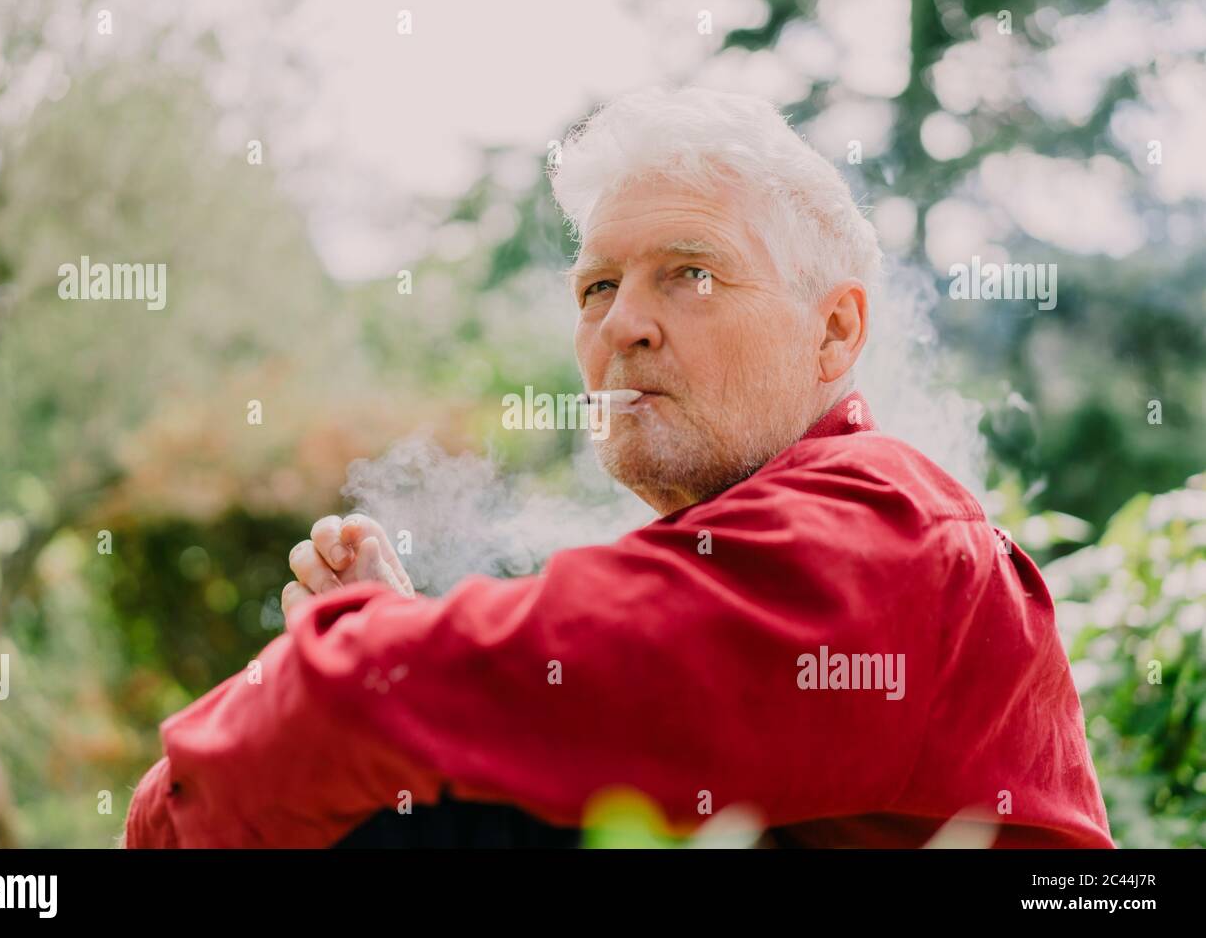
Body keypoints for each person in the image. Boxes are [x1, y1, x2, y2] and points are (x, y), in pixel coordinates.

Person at [125, 87, 1113, 848]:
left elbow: (359, 704)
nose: (621, 325)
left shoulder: (885, 528)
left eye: (691, 272)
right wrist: (411, 656)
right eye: (596, 285)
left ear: (835, 328)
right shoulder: (762, 541)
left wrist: (377, 655)